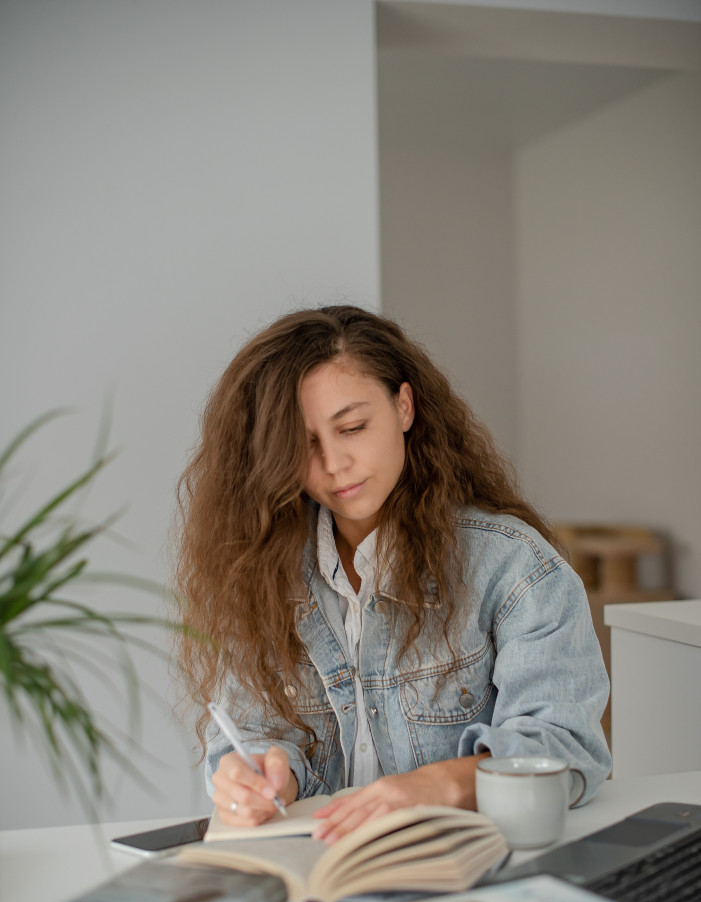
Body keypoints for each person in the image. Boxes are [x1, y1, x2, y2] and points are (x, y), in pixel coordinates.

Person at [174, 305, 610, 845]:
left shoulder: (514, 566)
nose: (334, 464)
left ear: (404, 406)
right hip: (320, 872)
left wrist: (439, 785)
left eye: (353, 427)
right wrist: (264, 779)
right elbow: (257, 736)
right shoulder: (259, 573)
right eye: (303, 445)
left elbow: (565, 748)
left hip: (472, 869)